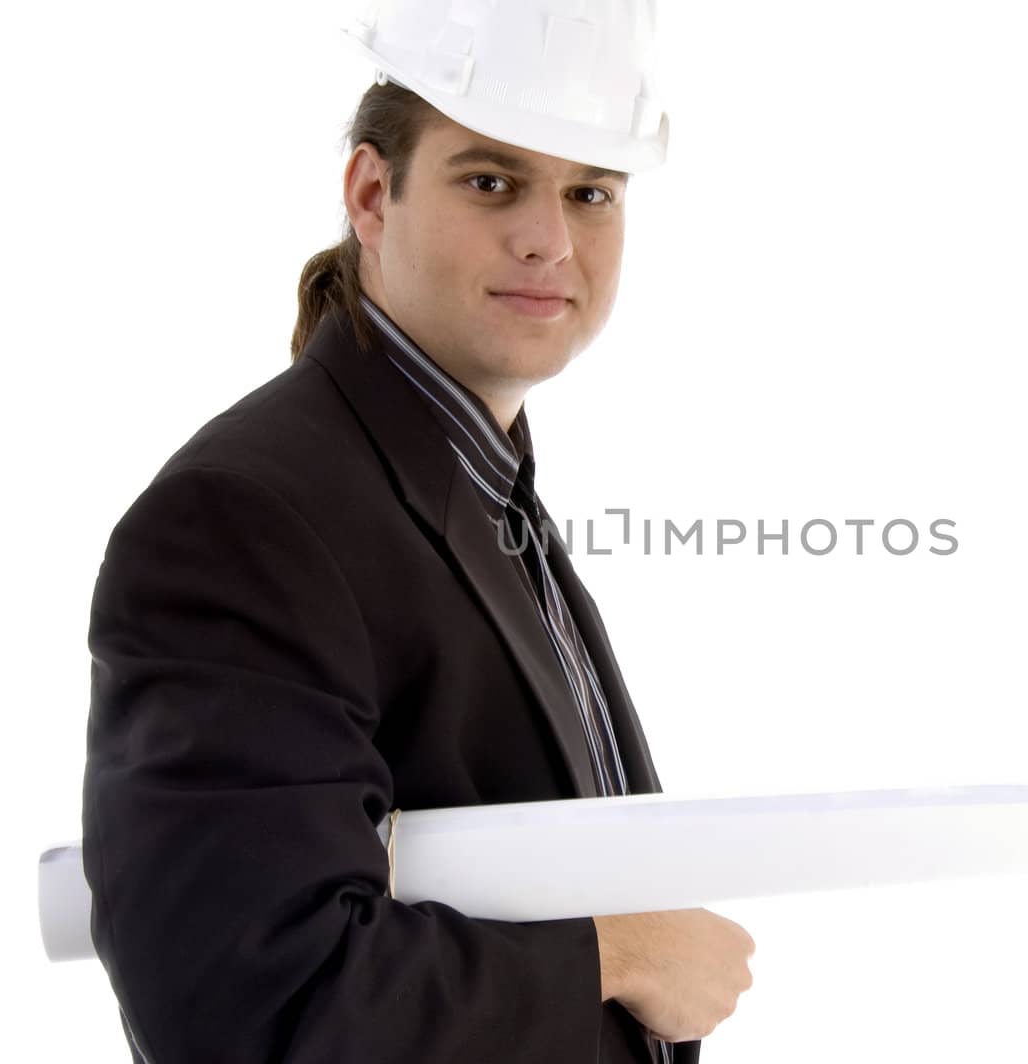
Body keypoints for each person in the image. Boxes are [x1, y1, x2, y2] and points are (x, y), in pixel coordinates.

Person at [80, 2, 753, 1060]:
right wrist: (615, 955)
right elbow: (246, 1003)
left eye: (590, 192)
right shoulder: (246, 520)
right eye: (491, 181)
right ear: (371, 193)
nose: (549, 236)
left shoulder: (472, 483)